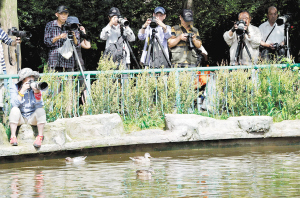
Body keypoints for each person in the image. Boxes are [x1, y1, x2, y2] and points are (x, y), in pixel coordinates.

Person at [9, 68, 47, 148]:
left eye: (32, 76)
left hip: (31, 118)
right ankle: (13, 137)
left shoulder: (36, 87)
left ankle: (40, 137)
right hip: (21, 117)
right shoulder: (15, 87)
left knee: (41, 110)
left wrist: (37, 93)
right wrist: (22, 91)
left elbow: (39, 106)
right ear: (23, 79)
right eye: (28, 76)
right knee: (14, 110)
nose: (31, 78)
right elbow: (14, 104)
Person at [44, 5, 80, 72]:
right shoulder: (50, 25)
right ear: (56, 14)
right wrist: (59, 37)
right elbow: (46, 42)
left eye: (65, 14)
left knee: (69, 82)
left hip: (68, 60)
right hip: (54, 59)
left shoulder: (72, 25)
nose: (63, 16)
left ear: (68, 15)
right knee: (55, 81)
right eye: (61, 14)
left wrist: (74, 36)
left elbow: (77, 44)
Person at [66, 16, 91, 104]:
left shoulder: (77, 35)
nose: (74, 27)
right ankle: (71, 113)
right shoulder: (63, 35)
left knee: (84, 88)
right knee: (69, 89)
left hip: (79, 64)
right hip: (68, 65)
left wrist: (84, 33)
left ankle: (86, 111)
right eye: (73, 25)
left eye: (76, 25)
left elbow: (87, 46)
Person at [0, 28, 21, 109]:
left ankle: (5, 116)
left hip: (1, 66)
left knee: (4, 91)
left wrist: (16, 42)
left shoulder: (0, 31)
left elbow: (9, 41)